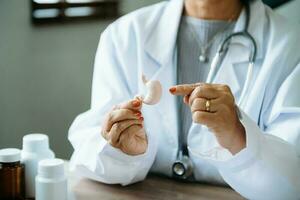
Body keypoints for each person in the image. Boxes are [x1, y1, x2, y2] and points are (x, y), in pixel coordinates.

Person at [68, 0, 300, 199]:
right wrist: (121, 150)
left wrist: (238, 136)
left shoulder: (290, 45)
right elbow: (89, 153)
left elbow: (293, 179)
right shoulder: (124, 36)